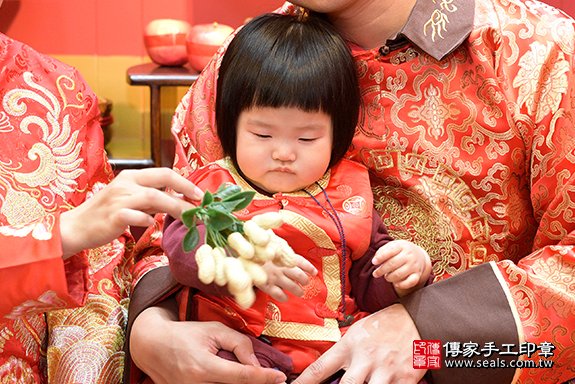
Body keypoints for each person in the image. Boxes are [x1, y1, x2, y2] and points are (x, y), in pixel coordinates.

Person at [127, 0, 575, 383]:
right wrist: (150, 332)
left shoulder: (540, 55)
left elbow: (551, 346)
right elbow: (162, 230)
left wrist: (431, 338)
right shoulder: (248, 59)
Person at [0, 15, 287, 384]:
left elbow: (101, 269)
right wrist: (151, 331)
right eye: (262, 133)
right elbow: (165, 244)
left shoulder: (57, 89)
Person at [160, 13, 432, 382]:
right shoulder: (214, 187)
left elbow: (369, 284)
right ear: (231, 126)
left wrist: (403, 273)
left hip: (333, 346)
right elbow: (180, 249)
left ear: (338, 135)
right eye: (262, 134)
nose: (284, 153)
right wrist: (241, 262)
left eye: (307, 139)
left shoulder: (350, 192)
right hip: (241, 343)